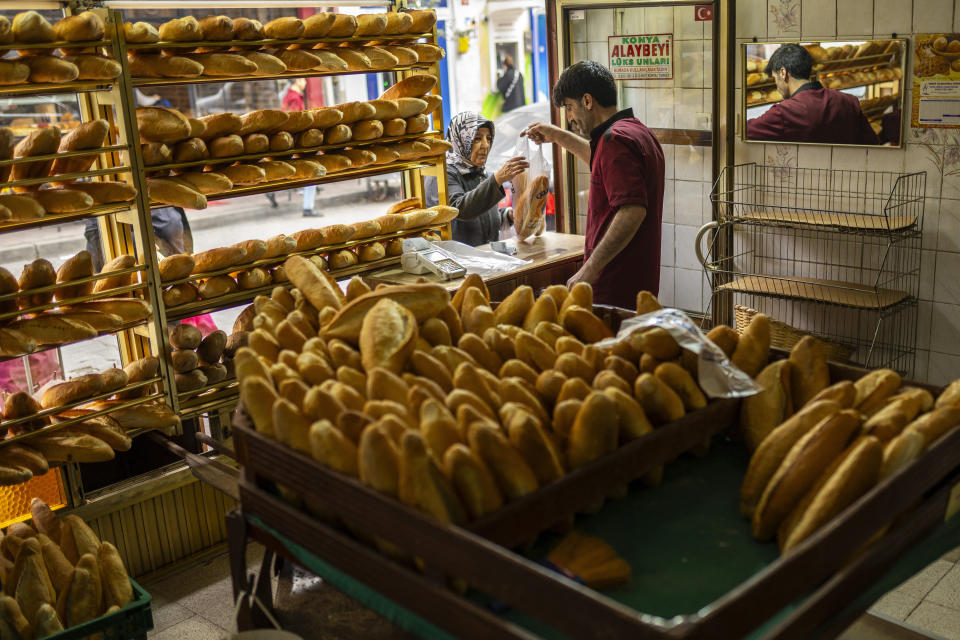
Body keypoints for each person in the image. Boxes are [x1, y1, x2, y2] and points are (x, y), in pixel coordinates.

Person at [524, 61, 664, 309]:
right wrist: (556, 135)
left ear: (587, 101)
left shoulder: (615, 140)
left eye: (569, 107)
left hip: (614, 286)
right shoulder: (637, 132)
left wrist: (589, 269)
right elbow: (601, 162)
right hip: (638, 283)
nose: (569, 118)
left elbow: (632, 210)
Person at [425, 112, 528, 246]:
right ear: (461, 139)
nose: (486, 145)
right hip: (458, 261)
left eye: (489, 138)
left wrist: (507, 215)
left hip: (485, 258)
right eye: (477, 139)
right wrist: (497, 179)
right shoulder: (441, 174)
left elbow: (482, 214)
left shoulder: (480, 172)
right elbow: (460, 209)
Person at [746, 44, 880, 145]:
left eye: (775, 78)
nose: (777, 85)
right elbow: (872, 143)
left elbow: (744, 131)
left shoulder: (784, 112)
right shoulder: (849, 101)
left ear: (783, 73)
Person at [281, 78, 319, 216]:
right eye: (303, 79)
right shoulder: (295, 99)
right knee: (312, 173)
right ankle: (308, 208)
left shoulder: (288, 97)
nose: (305, 82)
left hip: (292, 142)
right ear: (297, 81)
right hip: (298, 143)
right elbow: (296, 123)